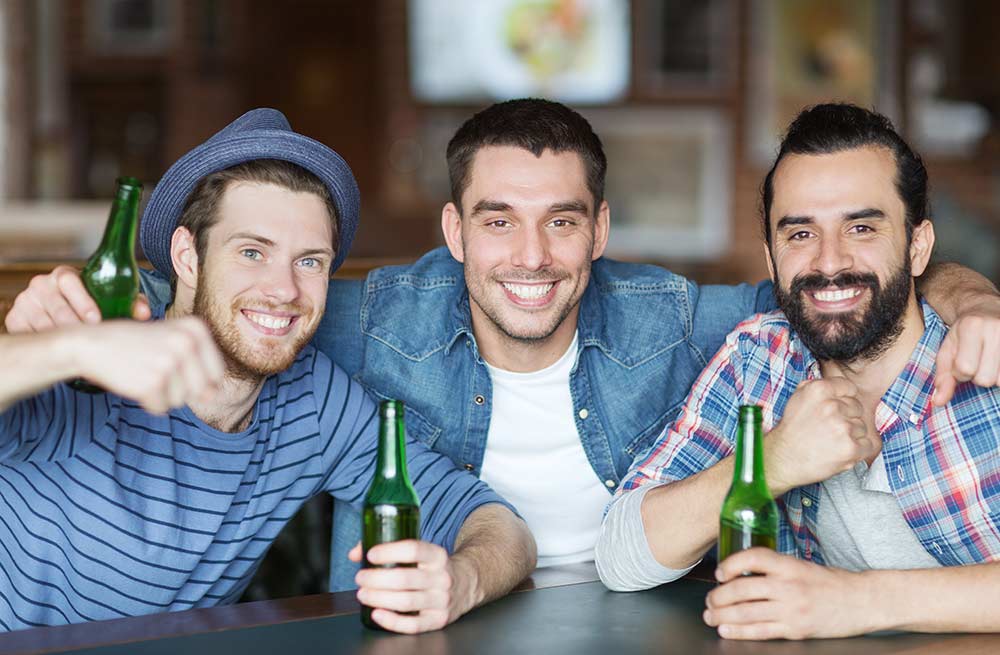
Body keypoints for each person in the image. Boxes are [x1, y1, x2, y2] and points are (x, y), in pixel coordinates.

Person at [7, 99, 1000, 593]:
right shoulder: (337, 323)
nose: (530, 255)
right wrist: (63, 345)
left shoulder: (694, 323)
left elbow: (830, 296)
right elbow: (218, 307)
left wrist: (970, 294)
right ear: (450, 232)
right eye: (497, 221)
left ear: (600, 231)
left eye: (562, 222)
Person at [0, 109, 535, 633]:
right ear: (187, 257)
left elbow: (494, 522)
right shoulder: (94, 366)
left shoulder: (315, 401)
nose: (284, 291)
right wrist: (66, 349)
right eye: (252, 252)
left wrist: (462, 580)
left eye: (309, 262)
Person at [594, 103, 1000, 640]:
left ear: (918, 246)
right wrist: (773, 461)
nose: (830, 262)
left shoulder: (985, 357)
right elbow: (621, 556)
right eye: (801, 234)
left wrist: (856, 601)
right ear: (771, 257)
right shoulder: (759, 357)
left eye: (861, 228)